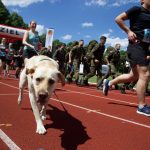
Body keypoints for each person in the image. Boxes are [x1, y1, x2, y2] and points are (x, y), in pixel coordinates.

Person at [103, 0, 150, 116]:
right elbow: (118, 18)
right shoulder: (137, 9)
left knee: (133, 76)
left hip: (144, 48)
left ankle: (109, 83)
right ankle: (141, 106)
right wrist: (128, 31)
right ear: (142, 0)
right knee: (145, 74)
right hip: (135, 45)